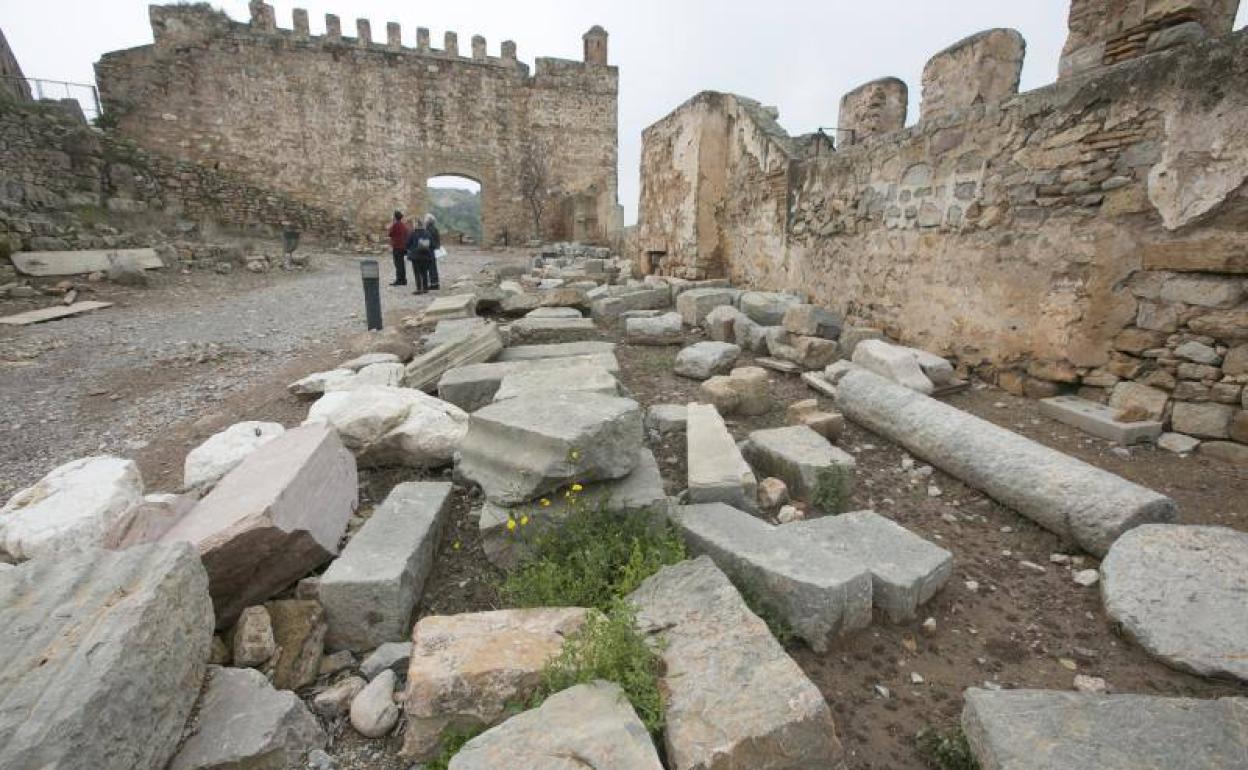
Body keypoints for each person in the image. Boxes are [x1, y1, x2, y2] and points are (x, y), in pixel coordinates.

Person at [406, 219, 435, 295]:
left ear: (416, 225)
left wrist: (410, 249)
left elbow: (407, 244)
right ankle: (425, 288)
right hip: (425, 256)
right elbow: (432, 245)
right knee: (424, 272)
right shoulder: (427, 233)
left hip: (415, 256)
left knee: (417, 273)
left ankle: (419, 288)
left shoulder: (413, 233)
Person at [387, 211, 410, 286]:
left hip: (397, 246)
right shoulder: (404, 225)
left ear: (395, 217)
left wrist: (391, 224)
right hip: (403, 247)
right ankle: (403, 279)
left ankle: (399, 280)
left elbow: (390, 234)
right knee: (402, 263)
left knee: (398, 264)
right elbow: (407, 234)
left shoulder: (395, 225)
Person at [424, 213, 442, 290]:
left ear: (428, 221)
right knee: (433, 267)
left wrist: (421, 248)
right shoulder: (435, 229)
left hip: (428, 250)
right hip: (433, 249)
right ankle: (435, 283)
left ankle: (433, 284)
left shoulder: (428, 229)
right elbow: (438, 241)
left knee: (430, 267)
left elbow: (426, 240)